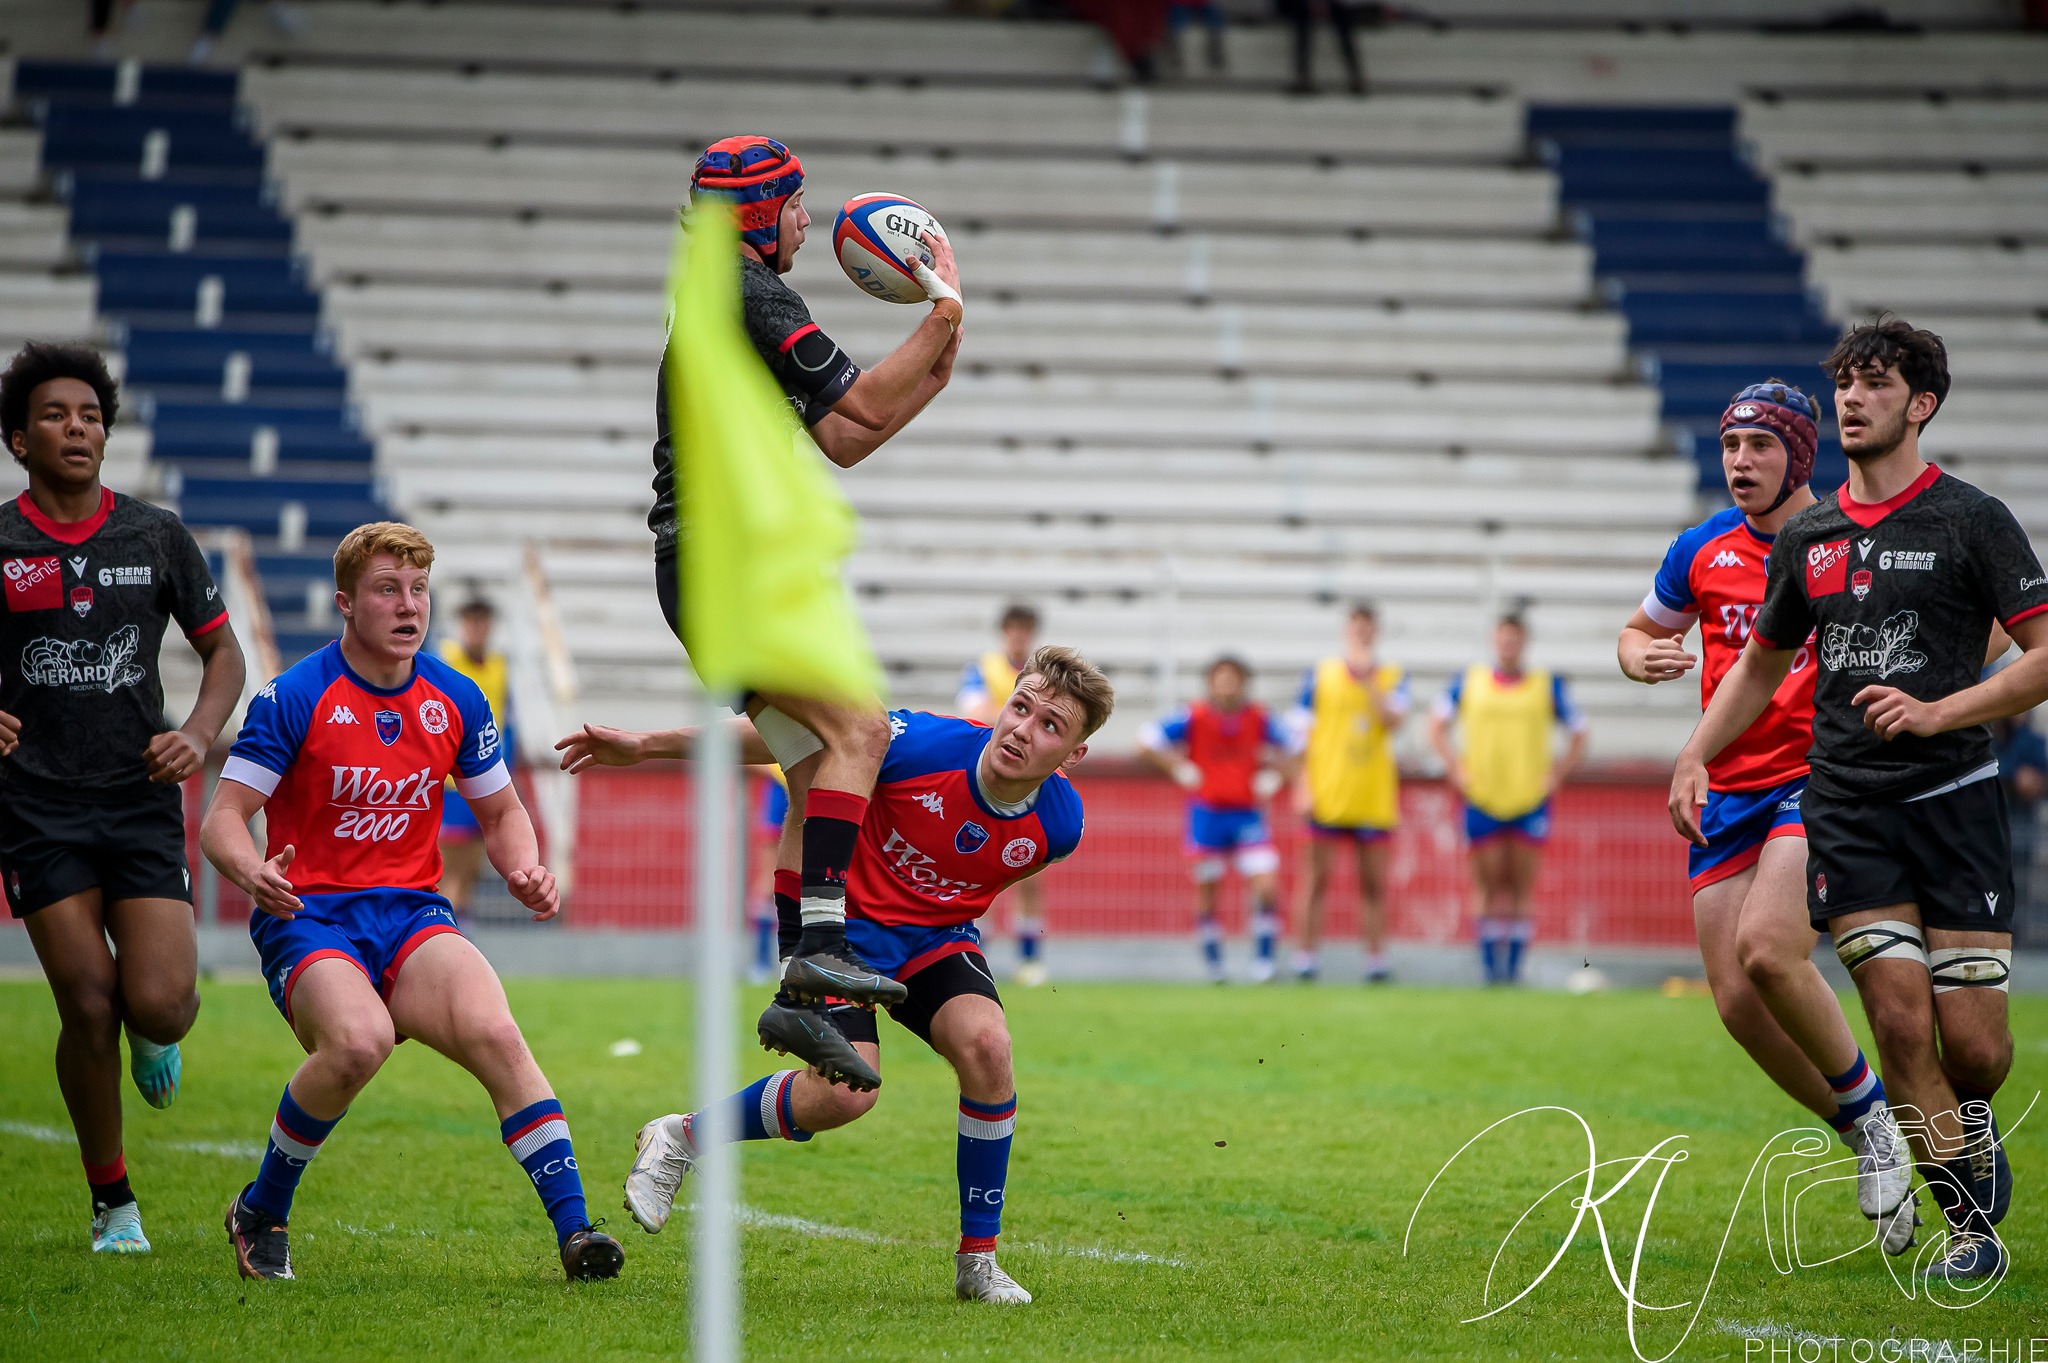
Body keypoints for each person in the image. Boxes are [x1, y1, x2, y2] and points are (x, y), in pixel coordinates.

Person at [558, 646, 1114, 1305]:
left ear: (1074, 754)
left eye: (1050, 725)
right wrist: (648, 745)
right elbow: (795, 740)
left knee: (989, 1048)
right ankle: (680, 1137)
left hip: (931, 939)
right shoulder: (922, 745)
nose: (1023, 729)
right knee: (847, 1096)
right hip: (835, 923)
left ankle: (979, 1261)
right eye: (1020, 707)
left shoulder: (1061, 826)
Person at [1669, 317, 2045, 1282]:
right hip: (1845, 805)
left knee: (1976, 1048)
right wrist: (1695, 752)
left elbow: (2042, 655)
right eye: (1845, 383)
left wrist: (1940, 710)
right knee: (1900, 1024)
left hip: (1954, 801)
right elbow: (1759, 665)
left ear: (1921, 405)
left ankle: (1967, 1114)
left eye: (1875, 384)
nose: (1851, 399)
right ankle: (1969, 1227)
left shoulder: (1971, 519)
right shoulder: (1811, 536)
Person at [200, 523, 623, 1283]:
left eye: (419, 589)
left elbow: (502, 812)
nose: (409, 605)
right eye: (387, 590)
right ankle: (262, 1210)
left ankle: (577, 1234)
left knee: (497, 1031)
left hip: (411, 916)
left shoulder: (456, 697)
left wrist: (525, 868)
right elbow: (222, 818)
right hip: (310, 916)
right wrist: (251, 870)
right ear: (345, 603)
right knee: (359, 1042)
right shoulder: (294, 696)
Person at [650, 135, 965, 1084]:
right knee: (861, 729)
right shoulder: (749, 290)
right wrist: (943, 309)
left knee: (817, 766)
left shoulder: (722, 292)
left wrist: (936, 359)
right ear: (757, 212)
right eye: (794, 203)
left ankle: (799, 994)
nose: (807, 220)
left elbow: (845, 437)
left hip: (708, 569)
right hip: (727, 563)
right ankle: (821, 947)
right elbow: (861, 408)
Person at [1620, 381, 1915, 1252]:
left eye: (1759, 446)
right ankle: (1865, 1126)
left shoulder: (1845, 540)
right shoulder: (1701, 546)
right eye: (1730, 446)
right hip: (1727, 789)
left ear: (1800, 454)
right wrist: (1641, 657)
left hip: (1815, 777)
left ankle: (1881, 1118)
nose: (1739, 462)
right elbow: (1636, 631)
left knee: (1767, 946)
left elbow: (1968, 626)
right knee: (1739, 1003)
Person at [0, 342, 247, 1255]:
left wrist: (199, 733)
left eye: (91, 416)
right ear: (19, 440)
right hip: (34, 806)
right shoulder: (2, 542)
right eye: (56, 415)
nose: (78, 428)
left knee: (162, 1003)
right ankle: (114, 1203)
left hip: (139, 798)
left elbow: (224, 653)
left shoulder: (154, 535)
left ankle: (156, 1033)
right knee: (89, 1000)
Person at [1427, 610, 1587, 985]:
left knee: (1520, 887)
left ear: (1524, 642)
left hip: (1529, 798)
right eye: (1503, 637)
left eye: (1514, 638)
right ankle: (1489, 970)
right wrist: (1455, 767)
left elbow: (1579, 732)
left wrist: (1558, 772)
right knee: (1486, 885)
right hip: (1481, 796)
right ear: (1493, 641)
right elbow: (1435, 726)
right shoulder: (1468, 682)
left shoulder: (1546, 685)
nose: (1508, 644)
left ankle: (1513, 971)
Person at [1140, 656, 1292, 983]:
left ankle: (1264, 961)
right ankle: (1215, 965)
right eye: (1221, 679)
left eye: (1233, 679)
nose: (1227, 686)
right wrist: (1178, 767)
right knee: (1208, 891)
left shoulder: (1259, 718)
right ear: (1210, 683)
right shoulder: (1194, 716)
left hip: (1247, 815)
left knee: (1266, 886)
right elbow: (1146, 740)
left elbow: (1298, 746)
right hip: (1207, 815)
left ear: (1244, 683)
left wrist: (1277, 775)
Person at [1290, 602, 1407, 983]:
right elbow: (1298, 736)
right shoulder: (1319, 675)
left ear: (1376, 633)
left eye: (1367, 628)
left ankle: (1376, 960)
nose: (1361, 634)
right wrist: (1303, 785)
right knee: (1314, 880)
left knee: (1373, 884)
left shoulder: (1393, 676)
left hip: (1372, 795)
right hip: (1327, 792)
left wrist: (1368, 678)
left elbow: (1391, 721)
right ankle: (1305, 957)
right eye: (1356, 627)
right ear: (1346, 631)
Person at [956, 603, 1051, 985]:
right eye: (1014, 628)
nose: (1019, 636)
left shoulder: (1042, 674)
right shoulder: (984, 668)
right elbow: (975, 711)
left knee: (1029, 870)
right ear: (1004, 632)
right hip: (987, 776)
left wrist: (1008, 714)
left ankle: (1030, 959)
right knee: (980, 867)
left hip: (1032, 779)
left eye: (1025, 629)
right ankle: (976, 953)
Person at [435, 596, 511, 919]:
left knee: (472, 869)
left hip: (485, 780)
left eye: (483, 622)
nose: (478, 629)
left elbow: (506, 723)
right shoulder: (445, 661)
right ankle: (443, 929)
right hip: (450, 784)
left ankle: (460, 928)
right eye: (472, 622)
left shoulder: (499, 667)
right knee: (446, 870)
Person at [1991, 712, 2046, 926]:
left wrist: (2035, 782)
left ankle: (2017, 934)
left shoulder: (2030, 739)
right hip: (1991, 830)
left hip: (2020, 830)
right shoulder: (1989, 736)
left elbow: (2040, 777)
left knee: (2018, 894)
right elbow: (1989, 768)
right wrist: (2015, 775)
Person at [748, 767, 790, 986]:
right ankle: (762, 961)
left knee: (802, 878)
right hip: (780, 790)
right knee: (768, 881)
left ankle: (792, 958)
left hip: (806, 787)